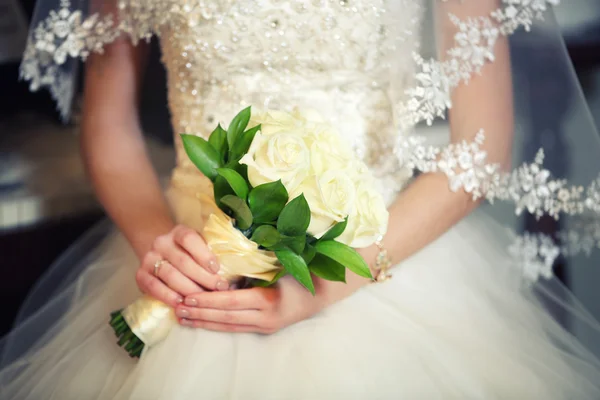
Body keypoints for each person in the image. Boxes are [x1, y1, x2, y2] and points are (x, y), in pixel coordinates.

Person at [2, 0, 600, 398]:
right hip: (195, 260)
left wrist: (328, 284)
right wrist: (162, 247)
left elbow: (481, 146)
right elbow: (108, 126)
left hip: (379, 260)